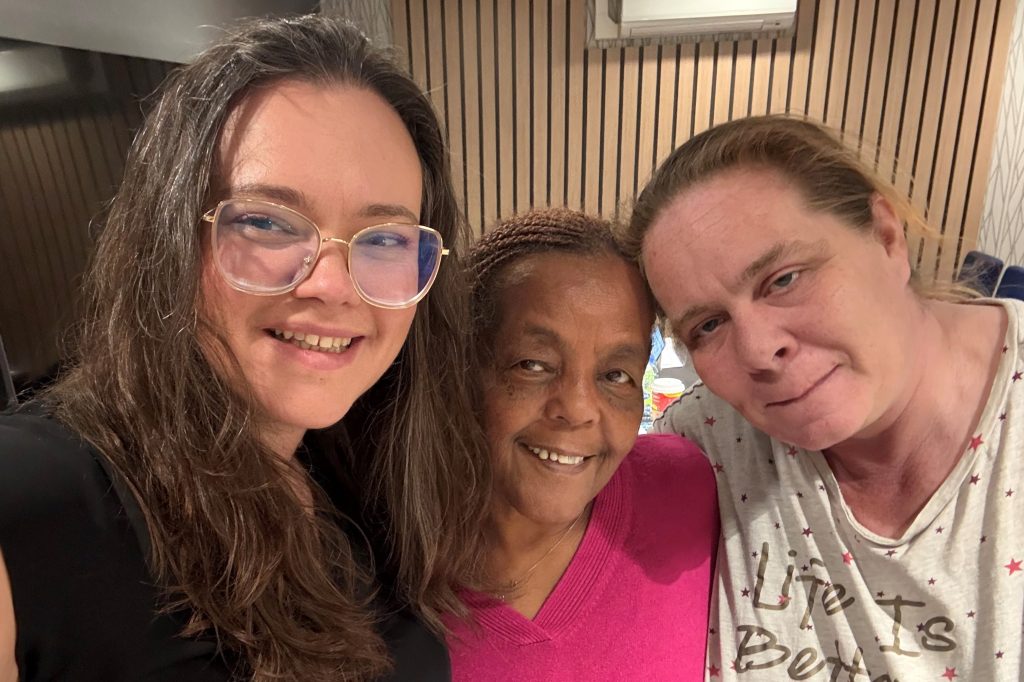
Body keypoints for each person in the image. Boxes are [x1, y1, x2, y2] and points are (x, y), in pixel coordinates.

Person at [0, 15, 490, 682]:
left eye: (382, 239)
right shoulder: (41, 502)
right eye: (265, 222)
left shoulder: (360, 476)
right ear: (169, 234)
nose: (332, 285)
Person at [623, 114, 1022, 680]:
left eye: (784, 279)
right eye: (708, 326)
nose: (759, 351)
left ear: (886, 235)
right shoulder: (706, 448)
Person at [446, 208, 719, 681]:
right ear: (463, 367)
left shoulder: (686, 490)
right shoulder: (376, 572)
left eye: (615, 376)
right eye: (532, 364)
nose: (577, 409)